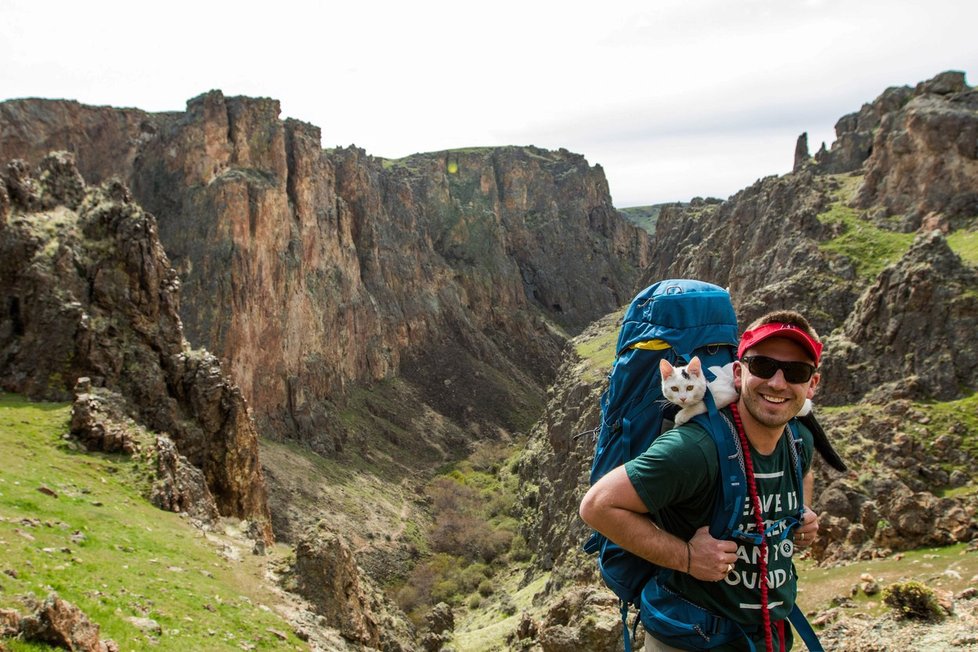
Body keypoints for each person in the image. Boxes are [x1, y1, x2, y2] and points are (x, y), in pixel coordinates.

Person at [579, 310, 823, 651]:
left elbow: (806, 471)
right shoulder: (695, 448)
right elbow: (597, 506)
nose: (778, 383)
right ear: (739, 373)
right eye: (763, 366)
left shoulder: (798, 441)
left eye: (796, 372)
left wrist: (801, 511)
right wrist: (688, 558)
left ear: (812, 384)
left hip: (768, 633)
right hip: (692, 638)